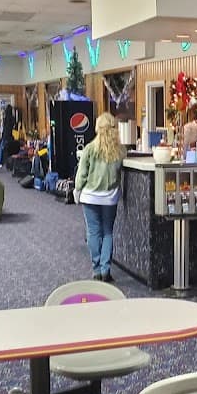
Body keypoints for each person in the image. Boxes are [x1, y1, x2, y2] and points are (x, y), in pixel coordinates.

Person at [74, 112, 125, 282]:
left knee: (93, 232)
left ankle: (96, 270)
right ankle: (106, 270)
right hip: (110, 197)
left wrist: (77, 190)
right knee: (108, 232)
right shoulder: (120, 151)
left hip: (90, 196)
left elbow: (82, 174)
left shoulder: (90, 149)